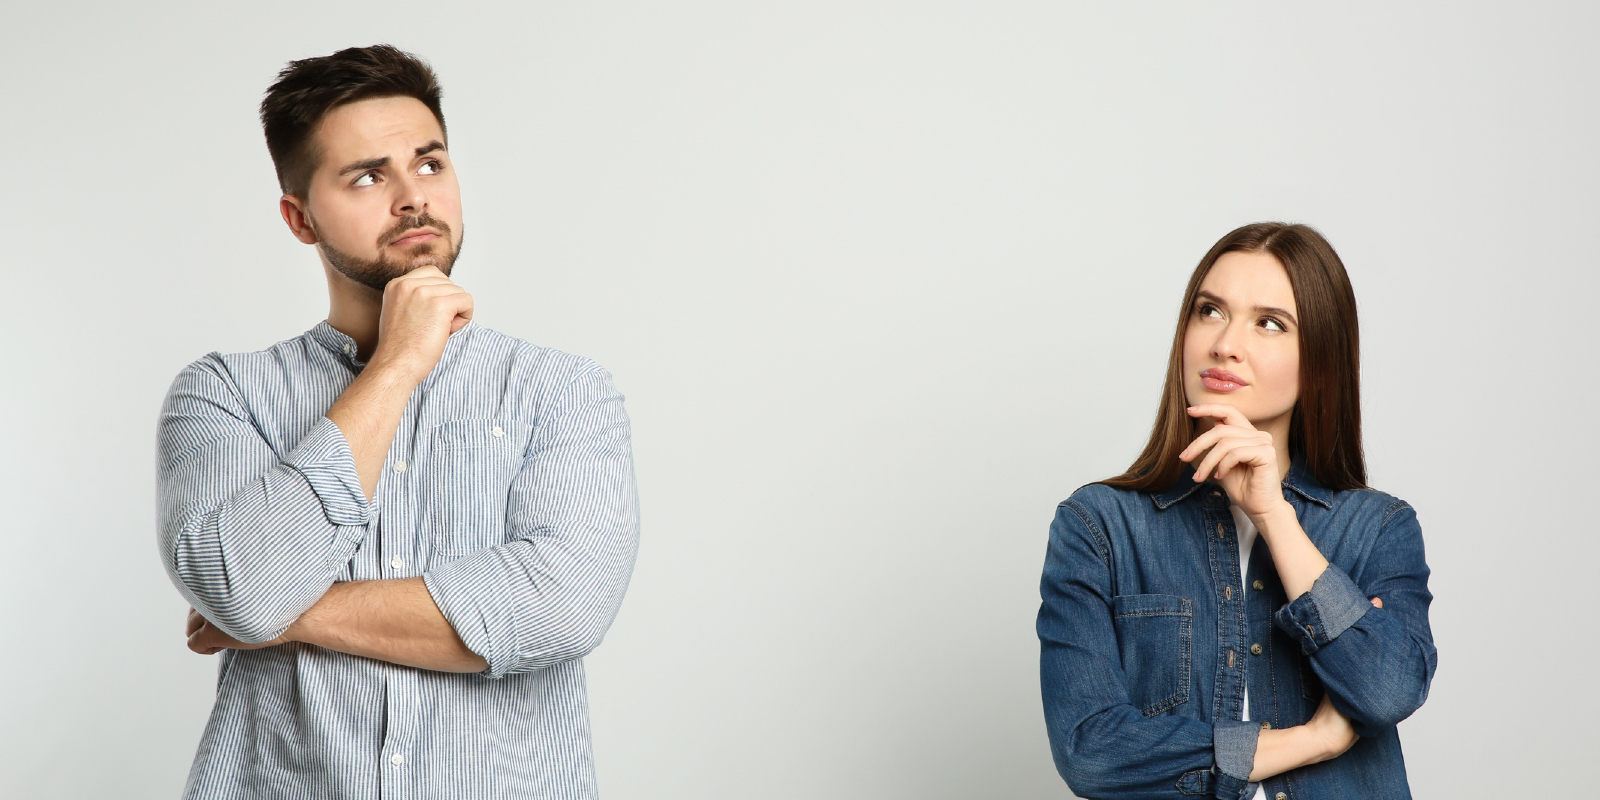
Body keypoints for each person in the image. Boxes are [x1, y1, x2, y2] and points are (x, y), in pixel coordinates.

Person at [156, 45, 639, 799]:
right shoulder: (224, 394)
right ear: (300, 218)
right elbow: (241, 589)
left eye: (428, 164)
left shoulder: (563, 391)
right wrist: (396, 365)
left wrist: (281, 614)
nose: (413, 197)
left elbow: (562, 606)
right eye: (367, 175)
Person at [1036, 223, 1436, 799]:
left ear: (1320, 359)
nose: (1225, 343)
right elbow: (1091, 753)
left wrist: (1274, 515)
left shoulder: (1378, 528)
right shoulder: (1098, 527)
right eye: (1210, 310)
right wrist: (1316, 739)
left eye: (1270, 323)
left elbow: (1389, 690)